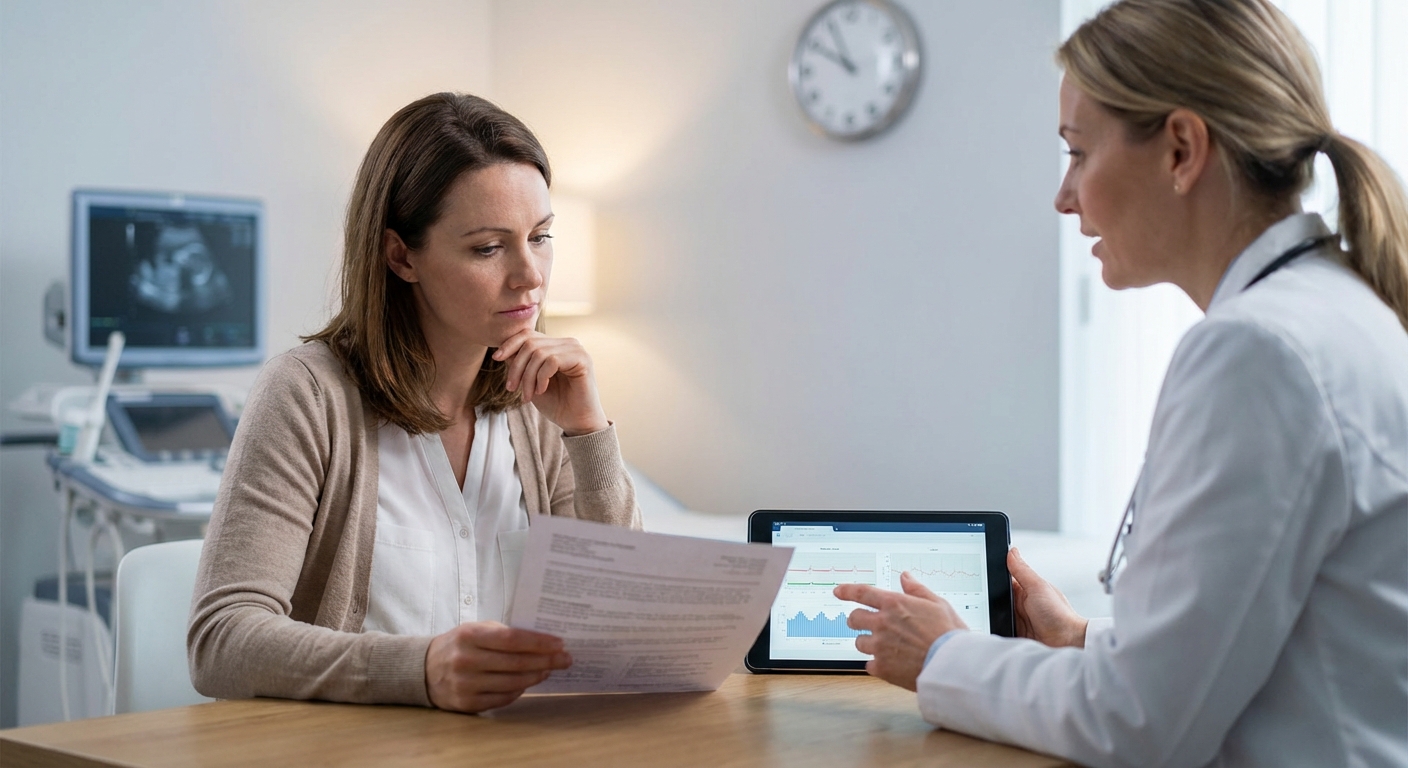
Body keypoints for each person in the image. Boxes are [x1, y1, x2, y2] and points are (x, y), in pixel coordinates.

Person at [836, 1, 1408, 766]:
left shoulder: (1256, 351)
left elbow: (1138, 725)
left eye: (1077, 152)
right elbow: (1277, 644)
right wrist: (1079, 640)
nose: (1063, 196)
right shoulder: (1339, 311)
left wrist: (942, 656)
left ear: (1180, 149)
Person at [188, 93, 640, 714]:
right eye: (488, 248)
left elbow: (622, 616)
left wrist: (588, 432)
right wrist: (419, 669)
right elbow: (222, 639)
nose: (531, 274)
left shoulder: (536, 408)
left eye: (541, 237)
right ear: (401, 256)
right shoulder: (307, 395)